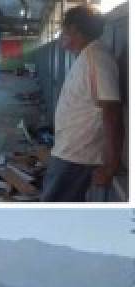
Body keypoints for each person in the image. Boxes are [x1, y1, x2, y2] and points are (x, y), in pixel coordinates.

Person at [42, 5, 123, 202]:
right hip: (69, 152)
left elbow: (112, 112)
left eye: (64, 30)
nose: (62, 36)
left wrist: (111, 165)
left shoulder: (97, 58)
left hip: (77, 157)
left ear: (74, 30)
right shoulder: (87, 56)